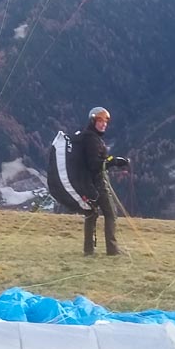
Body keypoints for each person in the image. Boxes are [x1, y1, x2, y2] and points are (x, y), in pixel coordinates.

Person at [70, 107, 130, 256]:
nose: (104, 124)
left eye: (106, 122)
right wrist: (114, 161)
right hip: (97, 183)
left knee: (91, 214)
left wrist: (111, 160)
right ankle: (112, 249)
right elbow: (95, 164)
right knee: (111, 214)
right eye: (100, 121)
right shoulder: (92, 139)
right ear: (93, 121)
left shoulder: (86, 137)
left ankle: (88, 250)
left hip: (85, 184)